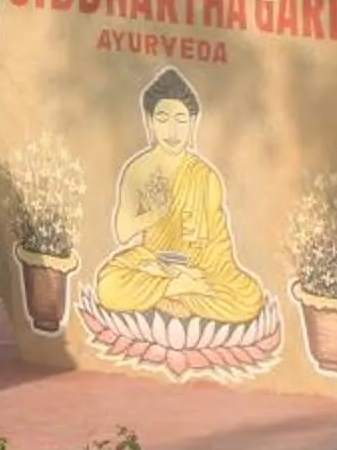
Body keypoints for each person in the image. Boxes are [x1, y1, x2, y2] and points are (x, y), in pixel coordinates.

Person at [90, 67, 269, 324]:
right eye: (163, 119)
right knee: (108, 284)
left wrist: (192, 270)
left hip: (199, 269)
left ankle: (170, 292)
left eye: (181, 120)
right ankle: (176, 290)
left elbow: (218, 248)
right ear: (150, 121)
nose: (172, 131)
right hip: (152, 260)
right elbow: (122, 232)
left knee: (250, 296)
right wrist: (154, 214)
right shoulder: (138, 169)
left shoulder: (205, 176)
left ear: (192, 124)